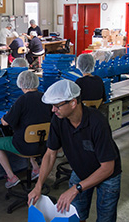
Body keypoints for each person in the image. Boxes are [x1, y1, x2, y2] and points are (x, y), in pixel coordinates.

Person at [28, 79, 122, 222]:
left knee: (105, 218)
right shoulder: (58, 119)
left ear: (73, 103)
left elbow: (108, 168)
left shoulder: (97, 122)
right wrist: (38, 185)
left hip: (107, 175)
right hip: (81, 170)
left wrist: (75, 189)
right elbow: (50, 153)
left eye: (57, 106)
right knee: (74, 214)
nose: (53, 109)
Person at [0, 71, 52, 188]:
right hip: (44, 145)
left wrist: (6, 116)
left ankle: (11, 176)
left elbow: (5, 123)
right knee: (33, 136)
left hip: (24, 146)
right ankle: (36, 168)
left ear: (21, 84)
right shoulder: (46, 98)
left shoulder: (21, 101)